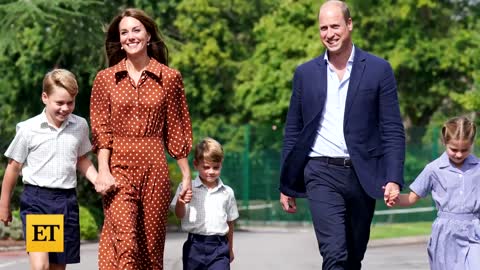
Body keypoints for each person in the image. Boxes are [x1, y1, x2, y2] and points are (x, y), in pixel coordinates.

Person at [279, 1, 406, 269]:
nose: (329, 33)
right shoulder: (305, 74)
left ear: (349, 25)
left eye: (335, 26)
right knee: (334, 254)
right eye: (323, 28)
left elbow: (392, 128)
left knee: (352, 256)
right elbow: (293, 130)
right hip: (320, 171)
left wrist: (393, 178)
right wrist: (286, 182)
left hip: (363, 174)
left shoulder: (378, 69)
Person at [89, 8, 193, 270]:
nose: (130, 36)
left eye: (136, 30)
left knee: (150, 249)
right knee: (126, 243)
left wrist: (186, 175)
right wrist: (103, 171)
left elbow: (177, 129)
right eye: (124, 32)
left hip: (155, 170)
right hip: (118, 170)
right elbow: (101, 131)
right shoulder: (105, 79)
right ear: (120, 40)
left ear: (148, 36)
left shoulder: (169, 78)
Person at [0, 69, 99, 270]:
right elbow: (14, 167)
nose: (65, 108)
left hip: (66, 202)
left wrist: (98, 180)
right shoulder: (29, 129)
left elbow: (81, 159)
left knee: (56, 268)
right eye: (59, 103)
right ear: (45, 97)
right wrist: (4, 204)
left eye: (70, 103)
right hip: (39, 202)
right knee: (41, 267)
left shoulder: (79, 125)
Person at [388, 116, 480, 270]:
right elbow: (411, 198)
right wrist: (395, 198)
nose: (459, 154)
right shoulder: (433, 169)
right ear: (444, 143)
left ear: (471, 144)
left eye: (464, 150)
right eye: (454, 149)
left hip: (475, 231)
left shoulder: (478, 167)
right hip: (446, 234)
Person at [170, 137, 239, 270]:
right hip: (194, 247)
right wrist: (180, 201)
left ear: (221, 164)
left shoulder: (227, 192)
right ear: (196, 164)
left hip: (219, 248)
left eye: (216, 167)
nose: (211, 171)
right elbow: (179, 214)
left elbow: (230, 222)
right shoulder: (186, 188)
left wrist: (230, 249)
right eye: (206, 167)